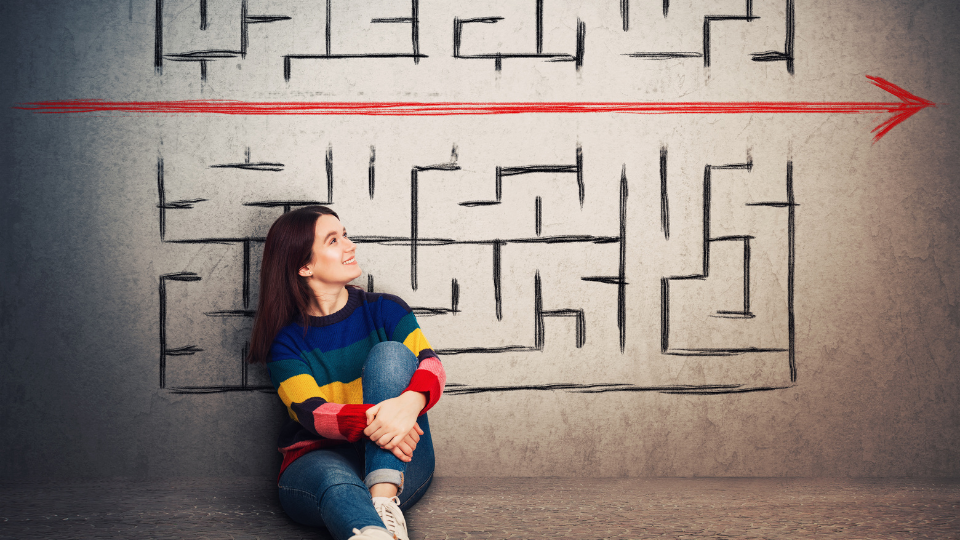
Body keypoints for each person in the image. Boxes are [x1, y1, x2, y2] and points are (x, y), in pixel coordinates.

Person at [247, 206, 445, 540]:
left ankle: (383, 501)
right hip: (317, 461)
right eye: (334, 240)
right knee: (334, 479)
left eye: (346, 234)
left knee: (391, 354)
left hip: (402, 461)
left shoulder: (385, 309)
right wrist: (386, 421)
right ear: (305, 265)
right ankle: (374, 533)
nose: (350, 245)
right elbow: (311, 413)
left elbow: (432, 366)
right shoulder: (286, 344)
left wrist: (408, 406)